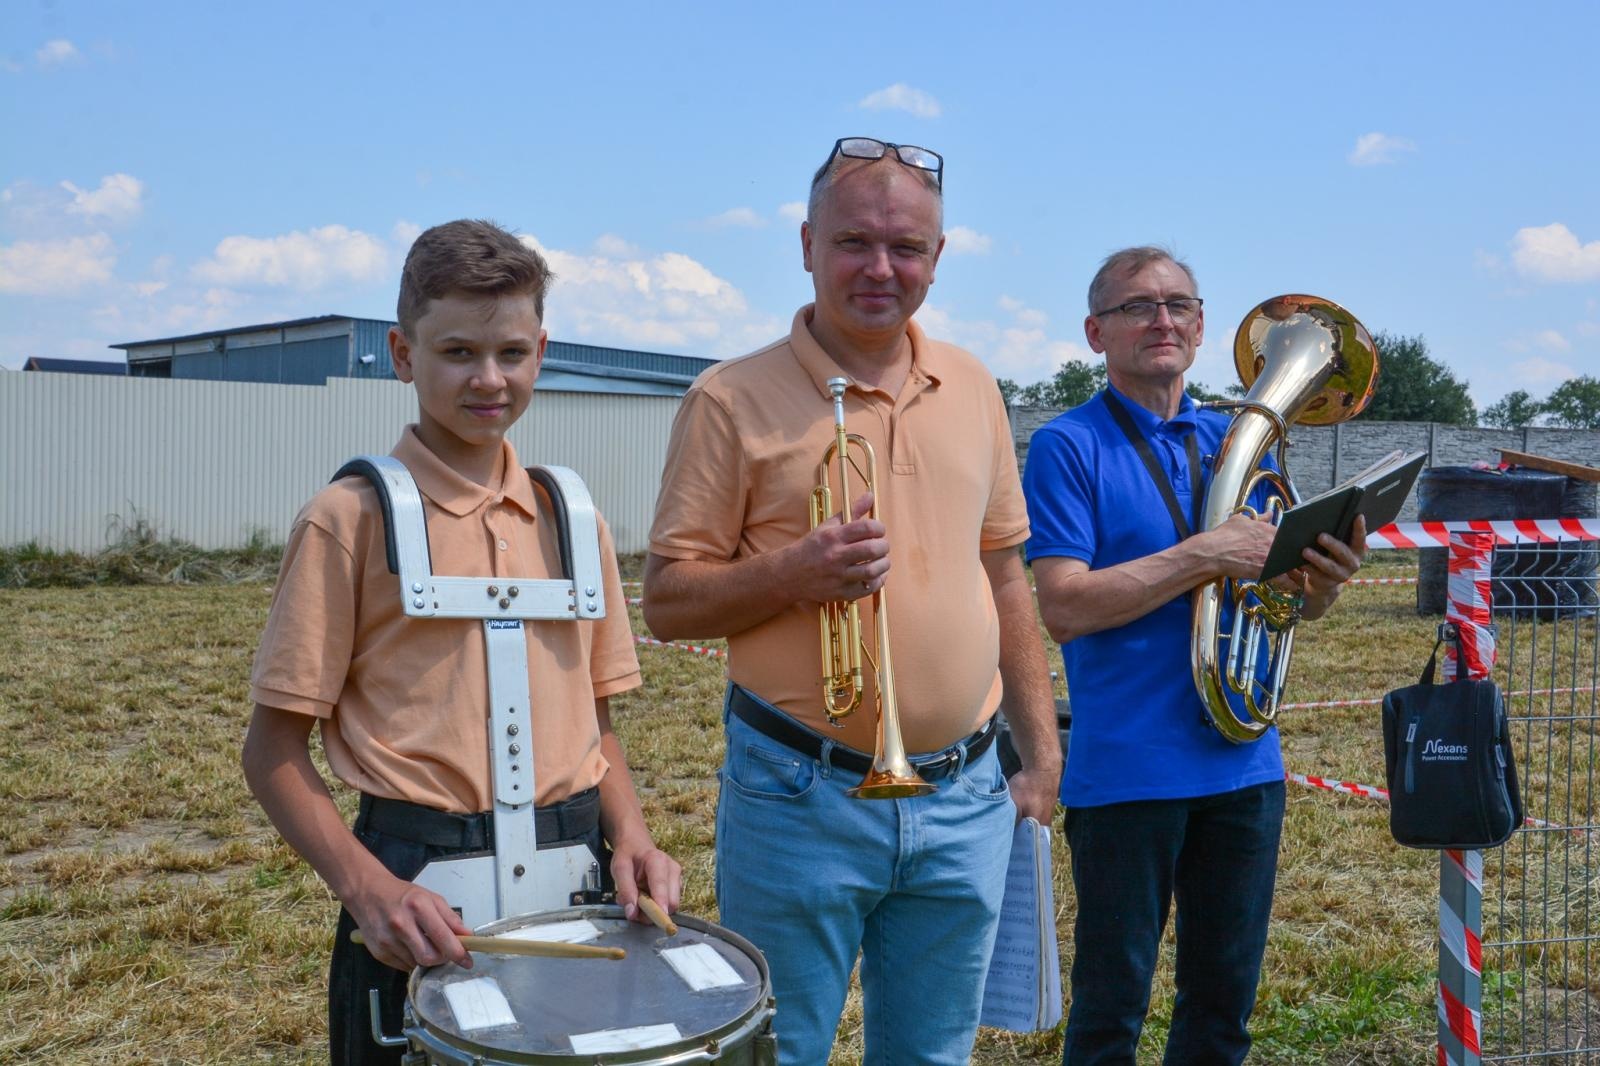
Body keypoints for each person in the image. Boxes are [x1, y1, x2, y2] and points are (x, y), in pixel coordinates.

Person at [642, 137, 1063, 1066]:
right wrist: (790, 575)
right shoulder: (728, 398)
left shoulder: (977, 385)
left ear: (938, 260)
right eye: (854, 242)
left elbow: (1004, 575)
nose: (881, 268)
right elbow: (666, 602)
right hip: (800, 794)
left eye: (906, 247)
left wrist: (1039, 755)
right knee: (784, 1050)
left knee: (933, 1054)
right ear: (805, 244)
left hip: (965, 796)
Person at [241, 219, 681, 1066]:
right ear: (404, 355)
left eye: (512, 354)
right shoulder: (349, 520)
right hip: (417, 898)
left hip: (576, 888)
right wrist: (368, 889)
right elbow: (272, 752)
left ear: (542, 351)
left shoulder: (572, 520)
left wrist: (632, 836)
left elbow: (598, 728)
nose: (489, 379)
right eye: (457, 353)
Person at [1022, 246, 1367, 1064]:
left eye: (1179, 304)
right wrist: (1207, 554)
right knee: (1111, 1013)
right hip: (1127, 774)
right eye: (1138, 306)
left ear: (1204, 325)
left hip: (1244, 771)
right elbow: (1065, 607)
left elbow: (1284, 606)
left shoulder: (1240, 440)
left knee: (1222, 1014)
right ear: (1095, 331)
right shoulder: (1066, 445)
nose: (1162, 320)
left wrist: (1324, 582)